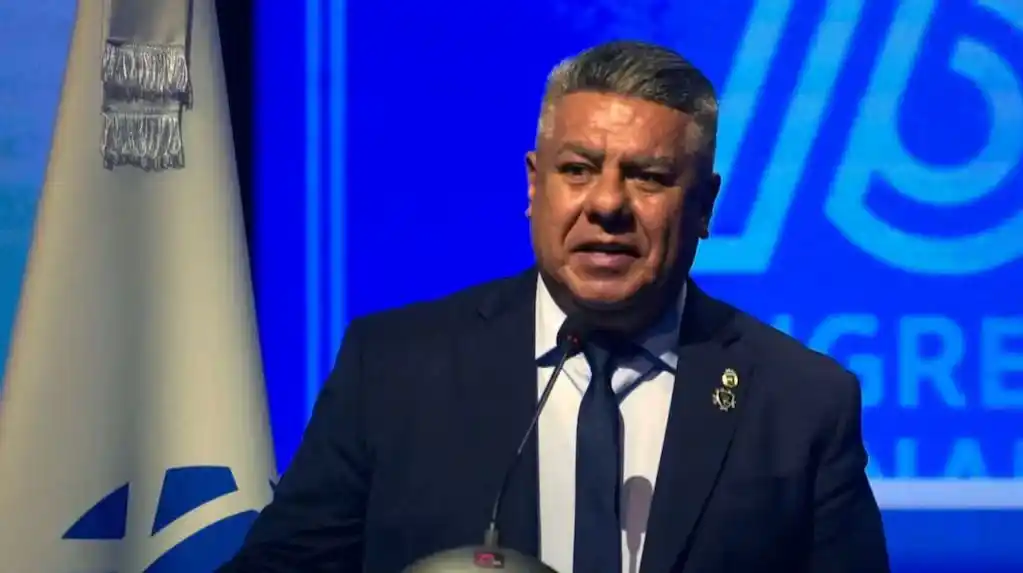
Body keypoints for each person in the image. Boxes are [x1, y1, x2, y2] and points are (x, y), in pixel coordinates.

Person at [221, 41, 890, 573]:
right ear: (533, 184)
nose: (607, 204)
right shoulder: (395, 369)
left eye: (648, 176)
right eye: (577, 169)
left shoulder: (799, 402)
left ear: (704, 206)